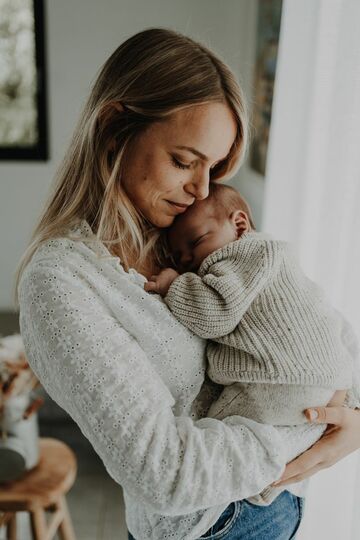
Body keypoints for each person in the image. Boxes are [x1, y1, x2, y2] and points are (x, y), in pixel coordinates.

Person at [14, 28, 360, 540]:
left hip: (276, 504)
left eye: (215, 167)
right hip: (209, 527)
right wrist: (308, 432)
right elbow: (165, 473)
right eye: (184, 161)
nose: (202, 189)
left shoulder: (187, 236)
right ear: (115, 129)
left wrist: (354, 414)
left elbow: (313, 320)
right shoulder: (61, 283)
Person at [145, 182, 360, 506]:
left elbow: (215, 314)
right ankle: (269, 487)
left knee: (212, 433)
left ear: (239, 224)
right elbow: (334, 326)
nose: (191, 259)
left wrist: (175, 284)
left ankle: (258, 490)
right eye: (181, 257)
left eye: (197, 241)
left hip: (278, 379)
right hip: (325, 380)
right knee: (274, 437)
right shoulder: (277, 262)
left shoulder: (239, 256)